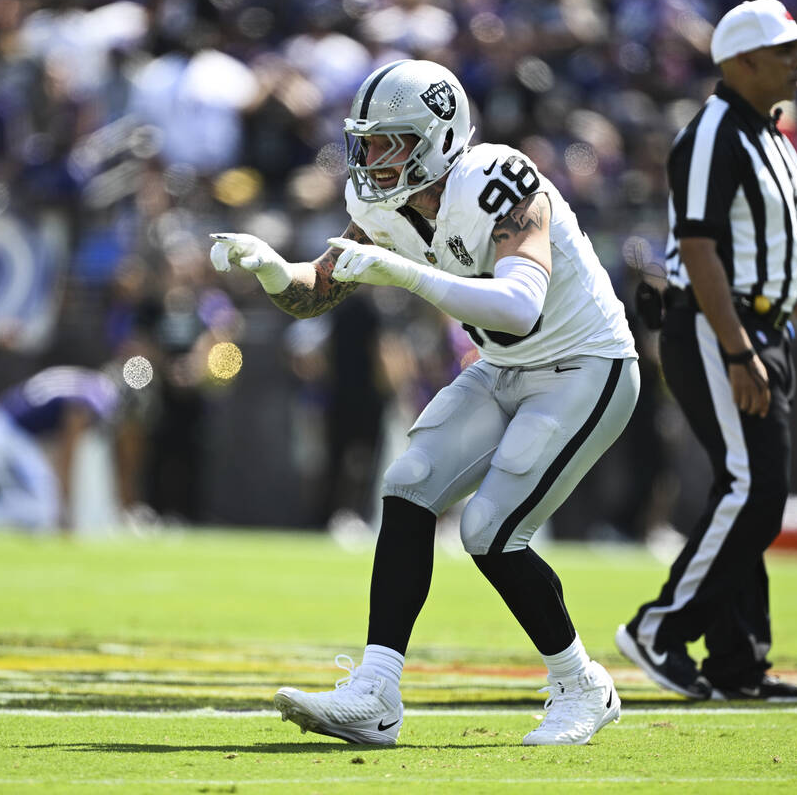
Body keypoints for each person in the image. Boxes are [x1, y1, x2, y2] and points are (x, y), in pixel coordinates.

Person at [210, 59, 639, 746]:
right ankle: (376, 692)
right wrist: (271, 267)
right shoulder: (381, 207)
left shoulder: (498, 179)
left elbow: (521, 308)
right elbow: (315, 290)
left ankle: (582, 683)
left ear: (438, 139)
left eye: (389, 142)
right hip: (504, 367)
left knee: (490, 530)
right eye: (366, 142)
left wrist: (404, 273)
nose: (371, 158)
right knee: (408, 483)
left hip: (585, 365)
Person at [615, 0, 797, 703]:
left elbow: (796, 257)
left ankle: (736, 663)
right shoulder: (711, 135)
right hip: (713, 326)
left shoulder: (774, 140)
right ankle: (659, 628)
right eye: (784, 50)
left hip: (761, 330)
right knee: (754, 491)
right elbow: (696, 248)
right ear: (740, 61)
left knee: (751, 491)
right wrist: (734, 349)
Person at [0, 366, 120, 533]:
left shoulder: (82, 382)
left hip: (2, 427)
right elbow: (66, 460)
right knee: (42, 511)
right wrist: (66, 514)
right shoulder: (85, 401)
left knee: (39, 503)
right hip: (4, 433)